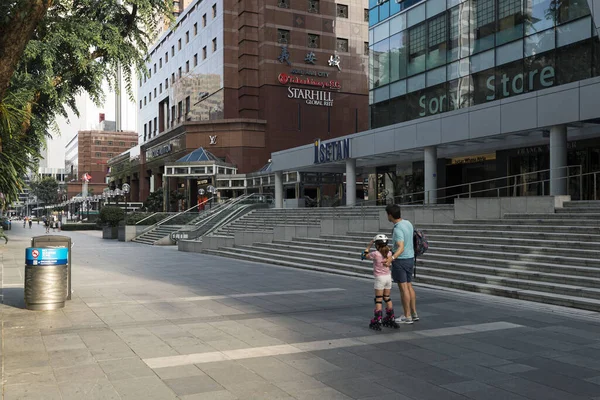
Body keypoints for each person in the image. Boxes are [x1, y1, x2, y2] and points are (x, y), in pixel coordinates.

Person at [385, 204, 419, 324]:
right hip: (410, 259)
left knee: (403, 288)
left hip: (401, 260)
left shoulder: (398, 228)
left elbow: (401, 247)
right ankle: (414, 313)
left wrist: (391, 258)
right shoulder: (408, 223)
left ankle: (407, 316)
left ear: (390, 215)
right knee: (409, 286)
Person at [363, 234, 399, 330]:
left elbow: (364, 255)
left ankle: (378, 319)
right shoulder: (390, 253)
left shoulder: (375, 254)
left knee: (378, 299)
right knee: (387, 298)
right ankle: (390, 317)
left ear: (377, 245)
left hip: (380, 279)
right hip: (388, 277)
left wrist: (369, 245)